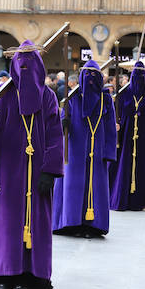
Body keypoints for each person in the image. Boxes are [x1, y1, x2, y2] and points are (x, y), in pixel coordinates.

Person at [0, 40, 63, 289]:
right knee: (6, 221)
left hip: (36, 172)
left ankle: (29, 275)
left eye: (30, 64)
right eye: (20, 64)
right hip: (6, 170)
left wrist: (50, 170)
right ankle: (3, 271)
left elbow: (55, 135)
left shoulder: (48, 97)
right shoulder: (3, 93)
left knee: (32, 221)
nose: (25, 69)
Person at [53, 60, 117, 237]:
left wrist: (110, 152)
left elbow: (111, 127)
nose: (90, 79)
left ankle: (93, 226)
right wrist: (63, 121)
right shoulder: (72, 98)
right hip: (74, 149)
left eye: (94, 76)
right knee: (73, 186)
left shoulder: (106, 100)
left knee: (95, 187)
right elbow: (60, 122)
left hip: (98, 152)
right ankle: (70, 224)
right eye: (87, 75)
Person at [110, 61, 145, 211]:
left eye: (141, 75)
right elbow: (115, 116)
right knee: (124, 169)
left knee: (144, 171)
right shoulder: (124, 94)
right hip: (126, 141)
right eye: (136, 75)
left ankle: (144, 200)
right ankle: (123, 198)